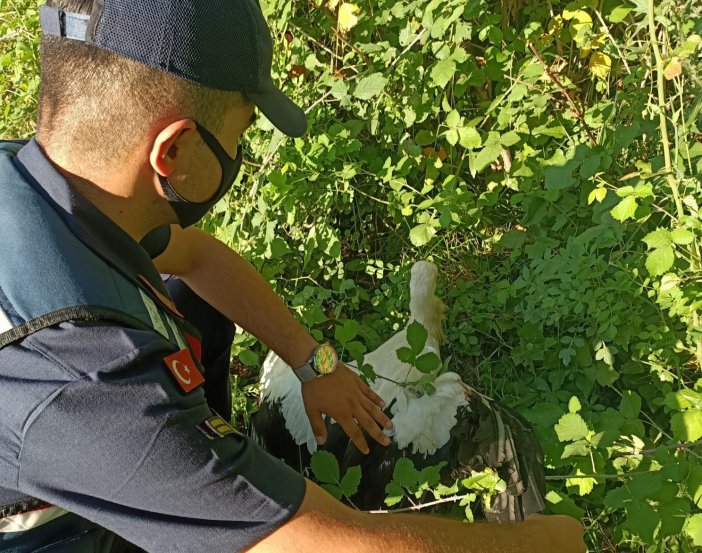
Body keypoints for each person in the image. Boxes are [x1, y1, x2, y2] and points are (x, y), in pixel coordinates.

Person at [0, 1, 587, 552]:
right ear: (172, 151)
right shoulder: (85, 370)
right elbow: (325, 545)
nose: (242, 153)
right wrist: (541, 542)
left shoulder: (39, 189)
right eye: (241, 132)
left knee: (188, 300)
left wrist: (312, 363)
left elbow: (199, 258)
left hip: (55, 463)